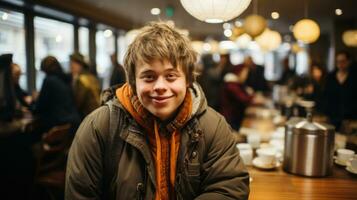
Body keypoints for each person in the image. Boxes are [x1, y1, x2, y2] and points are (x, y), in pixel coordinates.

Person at [65, 22, 250, 200]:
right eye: (148, 77)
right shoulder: (98, 128)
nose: (160, 86)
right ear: (133, 81)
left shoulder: (214, 125)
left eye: (171, 76)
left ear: (187, 80)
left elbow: (229, 188)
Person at [33, 56, 80, 139]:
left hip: (58, 125)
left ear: (45, 69)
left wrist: (33, 102)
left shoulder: (49, 80)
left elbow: (39, 107)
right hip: (73, 124)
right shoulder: (66, 79)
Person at [323, 51, 357, 130]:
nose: (340, 64)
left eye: (343, 61)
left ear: (348, 61)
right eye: (338, 61)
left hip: (350, 118)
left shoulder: (354, 77)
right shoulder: (331, 77)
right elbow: (326, 96)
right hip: (332, 117)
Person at [70, 52, 101, 119]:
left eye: (73, 64)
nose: (71, 67)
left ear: (80, 65)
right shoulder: (92, 77)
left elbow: (78, 102)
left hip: (88, 116)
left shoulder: (81, 80)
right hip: (98, 113)